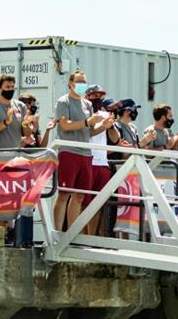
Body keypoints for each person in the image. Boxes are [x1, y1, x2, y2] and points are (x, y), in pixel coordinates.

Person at [52, 70, 103, 232]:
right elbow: (65, 125)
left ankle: (72, 234)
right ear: (70, 84)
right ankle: (58, 233)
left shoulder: (87, 104)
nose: (82, 85)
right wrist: (87, 122)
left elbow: (90, 131)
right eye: (79, 81)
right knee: (64, 194)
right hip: (69, 151)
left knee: (79, 196)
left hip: (86, 153)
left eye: (84, 82)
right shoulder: (63, 102)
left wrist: (104, 126)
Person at [83, 93, 120, 235]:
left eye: (100, 95)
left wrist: (110, 127)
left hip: (102, 163)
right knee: (84, 202)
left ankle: (91, 237)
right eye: (94, 95)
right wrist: (103, 127)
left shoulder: (105, 115)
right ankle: (80, 237)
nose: (97, 97)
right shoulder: (83, 113)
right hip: (87, 160)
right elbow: (84, 134)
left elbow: (116, 139)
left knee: (98, 204)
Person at [0, 74, 30, 149]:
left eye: (12, 87)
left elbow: (26, 134)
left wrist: (26, 124)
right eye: (7, 87)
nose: (11, 90)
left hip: (14, 153)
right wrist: (6, 122)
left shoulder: (21, 106)